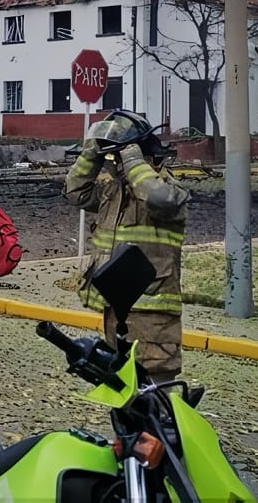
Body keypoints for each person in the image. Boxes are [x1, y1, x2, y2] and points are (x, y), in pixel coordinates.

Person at [64, 109, 188, 383]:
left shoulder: (171, 192)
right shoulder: (114, 193)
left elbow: (158, 198)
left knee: (155, 397)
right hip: (117, 311)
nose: (118, 165)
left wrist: (132, 158)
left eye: (121, 159)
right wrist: (91, 153)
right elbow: (75, 191)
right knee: (122, 391)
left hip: (152, 316)